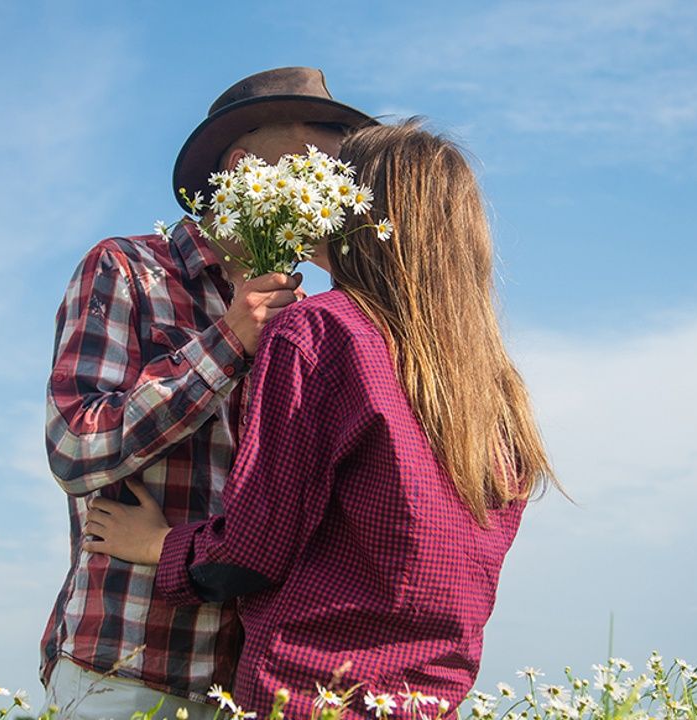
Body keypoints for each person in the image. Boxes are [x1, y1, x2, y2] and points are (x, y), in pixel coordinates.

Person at [81, 119, 566, 719]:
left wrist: (159, 545)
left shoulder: (320, 330)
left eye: (337, 180)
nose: (320, 195)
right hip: (427, 698)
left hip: (309, 690)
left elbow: (254, 548)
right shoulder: (493, 382)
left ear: (369, 213)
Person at [40, 67, 377, 719]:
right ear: (246, 165)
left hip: (253, 682)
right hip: (126, 666)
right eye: (318, 148)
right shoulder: (127, 270)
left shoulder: (310, 317)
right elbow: (74, 448)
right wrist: (228, 340)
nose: (336, 172)